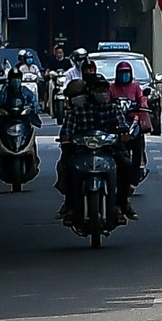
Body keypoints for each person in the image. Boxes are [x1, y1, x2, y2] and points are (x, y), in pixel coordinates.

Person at [56, 63, 136, 220]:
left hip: (109, 150)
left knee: (126, 165)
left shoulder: (113, 108)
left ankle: (122, 203)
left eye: (105, 90)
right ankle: (70, 205)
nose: (103, 93)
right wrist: (67, 139)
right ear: (90, 92)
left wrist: (123, 135)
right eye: (98, 90)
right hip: (83, 151)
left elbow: (122, 127)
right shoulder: (78, 111)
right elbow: (66, 132)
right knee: (68, 166)